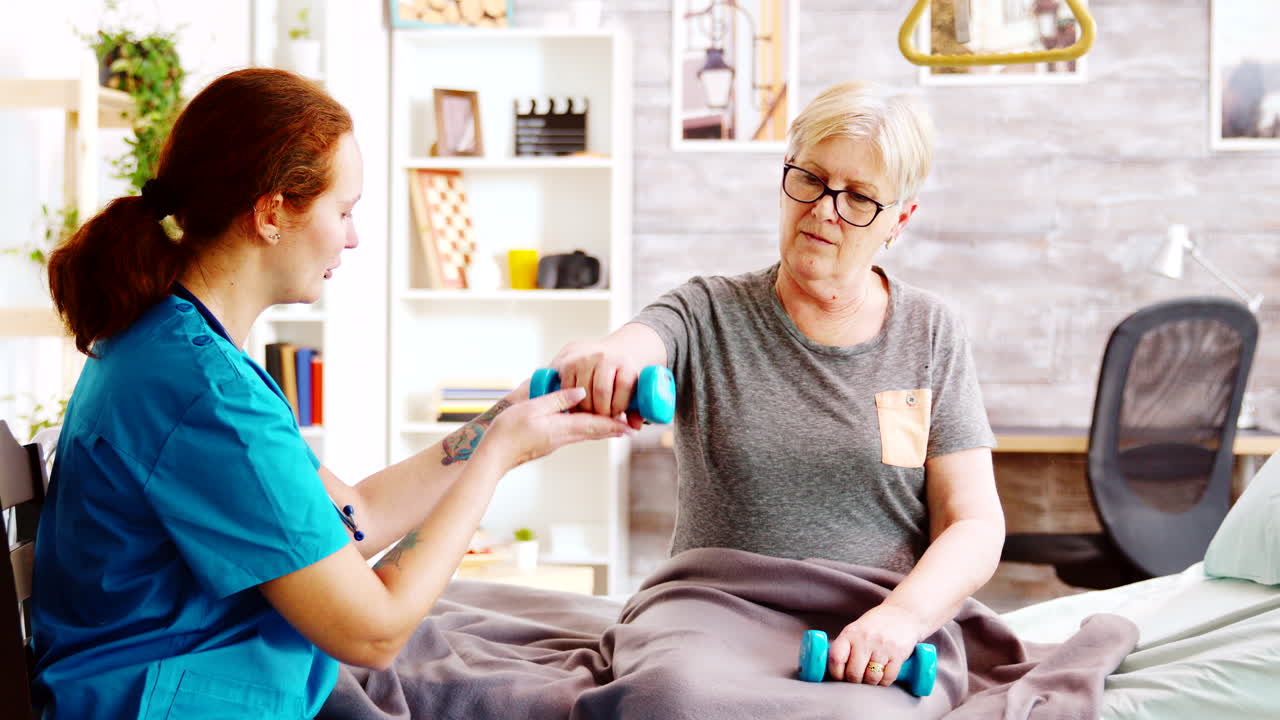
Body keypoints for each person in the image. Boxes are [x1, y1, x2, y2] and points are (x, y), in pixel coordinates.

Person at [31, 68, 629, 720]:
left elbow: (355, 512)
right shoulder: (205, 397)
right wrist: (498, 459)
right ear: (272, 213)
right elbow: (374, 630)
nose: (353, 237)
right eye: (343, 211)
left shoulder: (179, 348)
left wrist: (503, 417)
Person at [551, 81, 1004, 690]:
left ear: (901, 218)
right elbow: (637, 343)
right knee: (671, 695)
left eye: (860, 198)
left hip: (868, 622)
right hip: (709, 612)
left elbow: (973, 522)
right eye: (811, 179)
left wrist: (901, 618)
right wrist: (604, 357)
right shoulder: (706, 309)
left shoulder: (931, 331)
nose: (823, 209)